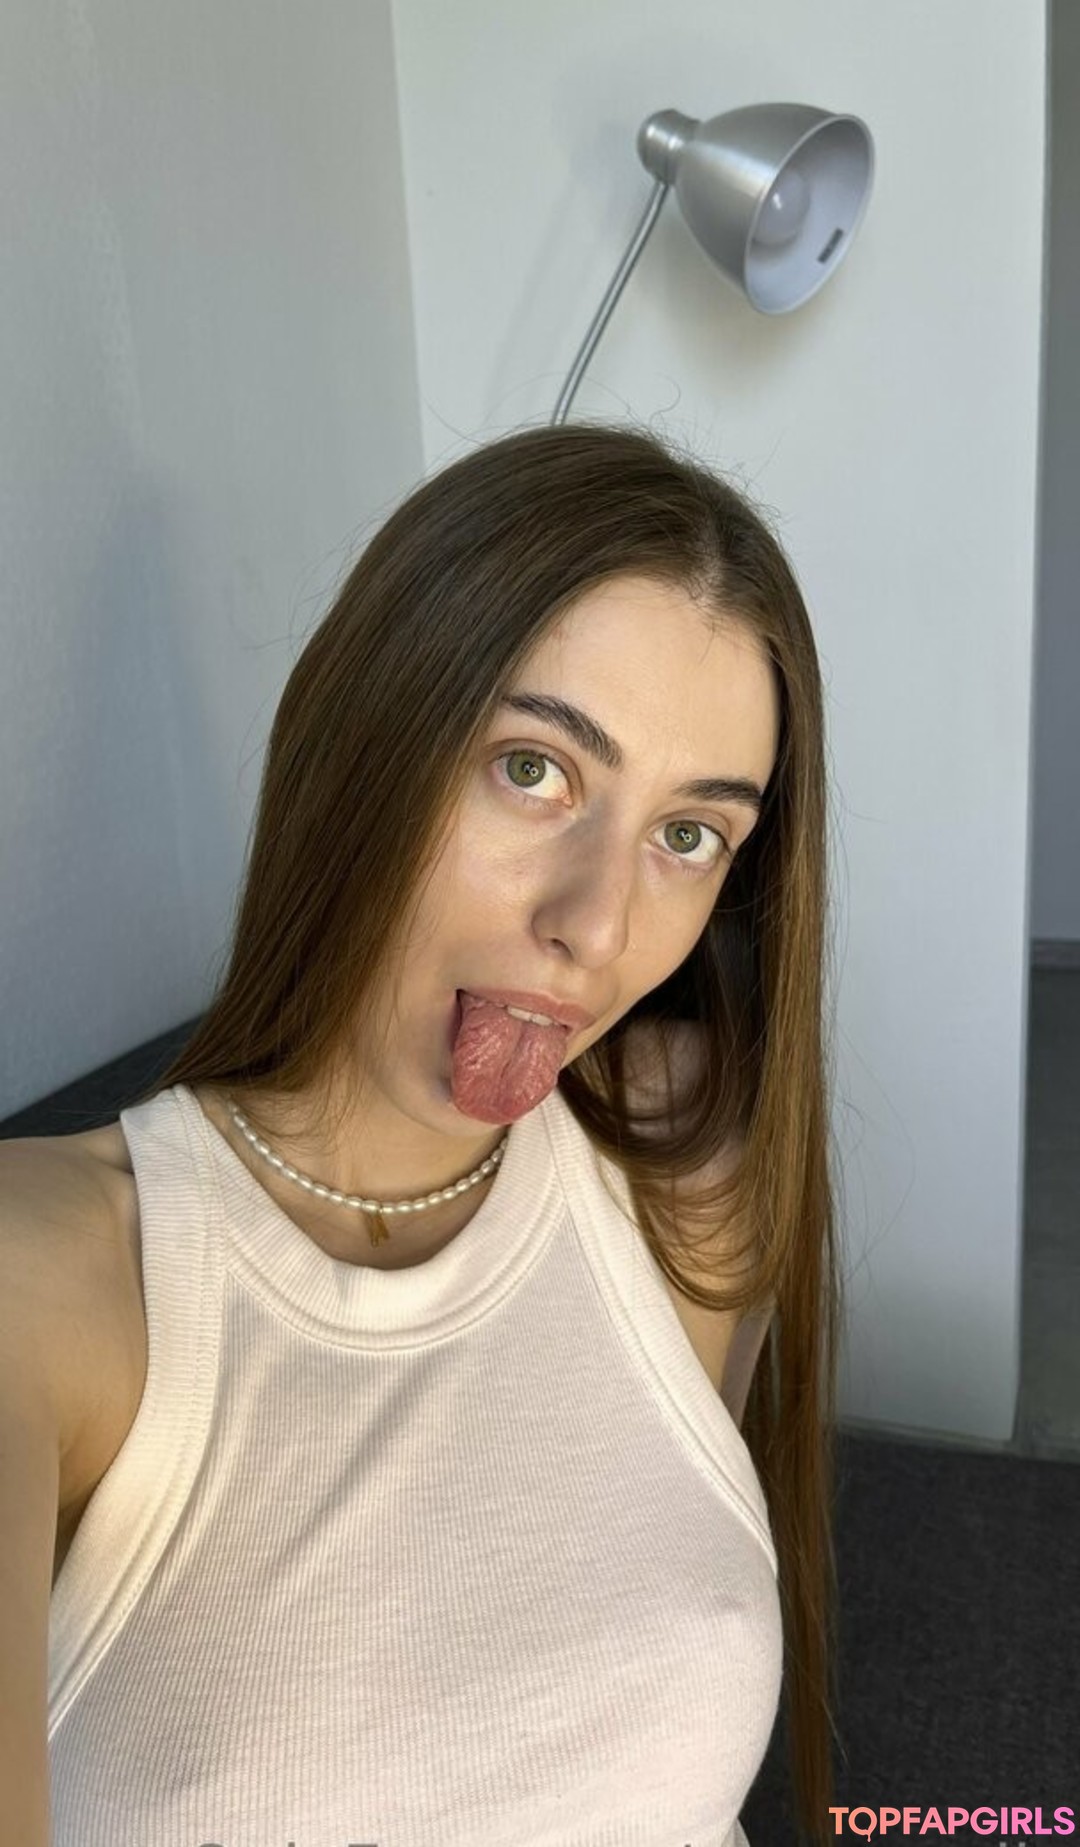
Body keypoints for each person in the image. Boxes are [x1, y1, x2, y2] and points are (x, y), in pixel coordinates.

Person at [1, 422, 841, 1847]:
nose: (596, 929)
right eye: (535, 769)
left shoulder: (688, 1162)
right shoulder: (51, 1281)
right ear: (362, 741)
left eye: (688, 835)